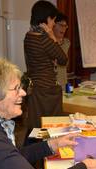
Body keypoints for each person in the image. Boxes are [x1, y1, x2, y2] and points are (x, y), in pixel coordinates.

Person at [24, 0, 66, 130]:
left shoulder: (29, 36)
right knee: (50, 129)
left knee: (36, 126)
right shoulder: (43, 38)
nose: (53, 24)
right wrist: (52, 36)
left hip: (36, 89)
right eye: (53, 20)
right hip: (47, 91)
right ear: (47, 19)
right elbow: (63, 59)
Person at [53, 12, 70, 89]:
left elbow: (65, 63)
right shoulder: (48, 42)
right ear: (53, 25)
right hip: (52, 84)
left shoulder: (66, 42)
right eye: (60, 25)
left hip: (63, 83)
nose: (63, 28)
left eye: (65, 26)